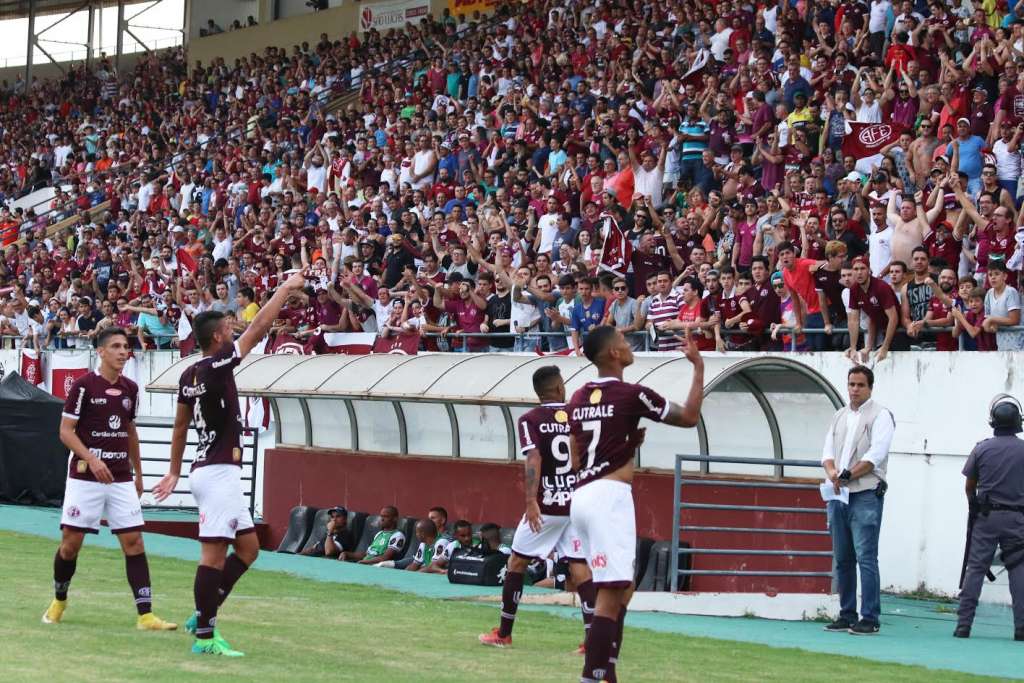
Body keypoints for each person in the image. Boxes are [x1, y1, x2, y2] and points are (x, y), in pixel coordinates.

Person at [153, 268, 308, 657]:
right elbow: (257, 330)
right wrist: (285, 288)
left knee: (249, 549)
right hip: (218, 472)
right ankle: (205, 635)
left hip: (210, 469)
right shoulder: (217, 365)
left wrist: (174, 470)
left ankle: (203, 612)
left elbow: (179, 427)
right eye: (227, 326)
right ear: (218, 338)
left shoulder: (191, 372)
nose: (233, 327)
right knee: (212, 555)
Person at [569, 325, 704, 682]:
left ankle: (606, 673)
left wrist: (627, 443)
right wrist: (698, 367)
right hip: (608, 498)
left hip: (581, 495)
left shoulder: (580, 396)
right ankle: (592, 677)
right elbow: (689, 417)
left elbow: (577, 455)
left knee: (623, 589)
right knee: (611, 595)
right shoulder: (631, 394)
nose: (629, 346)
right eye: (624, 342)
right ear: (613, 353)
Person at [42, 326, 176, 631]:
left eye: (125, 347)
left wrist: (138, 474)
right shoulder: (83, 386)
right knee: (70, 545)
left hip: (120, 478)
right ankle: (60, 599)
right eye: (115, 346)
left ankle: (145, 615)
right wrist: (90, 458)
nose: (122, 352)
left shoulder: (131, 388)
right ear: (101, 352)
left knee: (134, 542)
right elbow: (65, 431)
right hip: (84, 477)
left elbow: (130, 432)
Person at [479, 366, 597, 651]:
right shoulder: (579, 416)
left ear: (538, 392)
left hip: (546, 506)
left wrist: (531, 500)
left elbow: (534, 456)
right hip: (577, 504)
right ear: (559, 389)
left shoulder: (529, 420)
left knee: (517, 562)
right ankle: (594, 641)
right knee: (580, 567)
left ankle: (504, 633)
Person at [820, 366, 894, 636]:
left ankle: (870, 617)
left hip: (864, 493)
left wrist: (848, 474)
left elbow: (876, 454)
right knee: (842, 557)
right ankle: (847, 613)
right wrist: (832, 473)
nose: (854, 389)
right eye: (851, 384)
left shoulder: (881, 415)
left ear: (870, 388)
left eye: (860, 385)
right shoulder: (839, 415)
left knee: (866, 556)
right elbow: (827, 451)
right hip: (838, 493)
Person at [955, 394, 1024, 640]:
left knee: (975, 569)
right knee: (1018, 571)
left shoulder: (981, 448)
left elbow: (969, 486)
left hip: (986, 517)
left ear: (992, 421)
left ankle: (963, 626)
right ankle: (1021, 628)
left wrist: (975, 507)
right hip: (1017, 518)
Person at [339, 505, 406, 564]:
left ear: (395, 519)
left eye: (386, 516)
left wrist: (364, 562)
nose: (382, 519)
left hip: (380, 568)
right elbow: (368, 554)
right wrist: (347, 554)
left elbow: (385, 558)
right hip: (367, 564)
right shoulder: (379, 534)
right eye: (381, 516)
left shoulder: (397, 535)